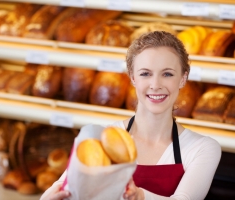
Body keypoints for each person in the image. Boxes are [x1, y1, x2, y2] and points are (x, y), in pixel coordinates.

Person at [40, 31, 222, 200]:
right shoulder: (103, 138)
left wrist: (141, 196)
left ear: (183, 78)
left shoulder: (202, 148)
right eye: (145, 74)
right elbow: (65, 188)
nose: (155, 84)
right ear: (132, 77)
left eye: (167, 74)